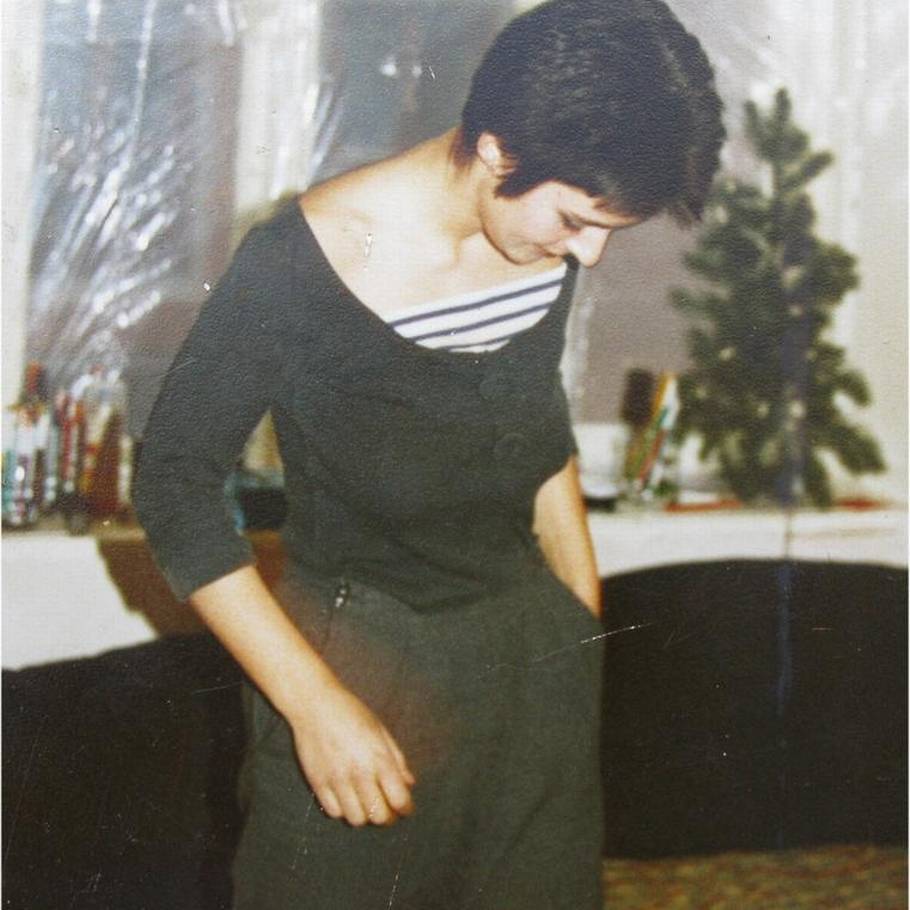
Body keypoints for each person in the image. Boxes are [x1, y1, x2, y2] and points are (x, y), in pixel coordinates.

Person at [132, 0, 724, 906]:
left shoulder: (541, 241)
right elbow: (173, 483)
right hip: (358, 668)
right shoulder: (302, 259)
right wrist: (314, 706)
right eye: (577, 219)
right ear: (497, 149)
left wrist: (578, 628)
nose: (590, 255)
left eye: (612, 228)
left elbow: (537, 431)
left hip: (531, 665)